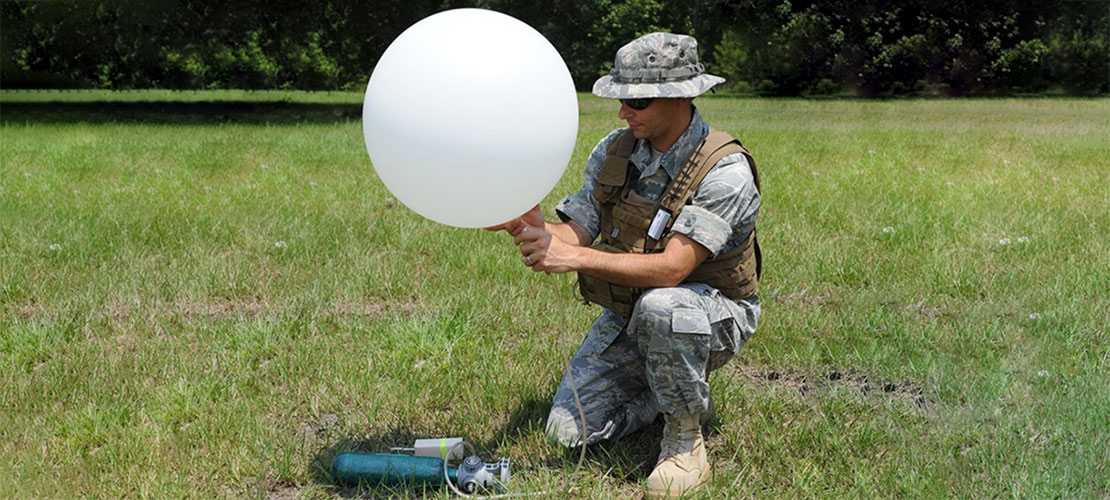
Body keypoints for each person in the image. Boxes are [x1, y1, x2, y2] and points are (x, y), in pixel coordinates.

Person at [488, 32, 761, 498]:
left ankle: (684, 437)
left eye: (637, 101)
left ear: (681, 96)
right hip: (632, 314)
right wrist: (531, 227)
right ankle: (663, 392)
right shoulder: (615, 151)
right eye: (621, 99)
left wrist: (571, 257)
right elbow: (578, 231)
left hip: (712, 315)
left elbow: (674, 268)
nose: (623, 112)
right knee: (565, 434)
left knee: (664, 306)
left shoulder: (724, 170)